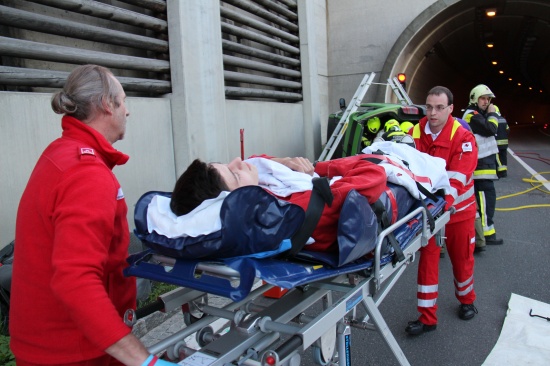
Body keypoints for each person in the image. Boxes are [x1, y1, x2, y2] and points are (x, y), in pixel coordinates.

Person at [10, 65, 176, 366]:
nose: (128, 111)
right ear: (105, 104)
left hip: (50, 345)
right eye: (123, 100)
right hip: (73, 353)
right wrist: (143, 361)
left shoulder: (60, 153)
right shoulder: (87, 173)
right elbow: (75, 281)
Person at [170, 155, 388, 252]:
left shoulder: (260, 215)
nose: (239, 161)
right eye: (235, 175)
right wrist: (320, 168)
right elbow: (374, 173)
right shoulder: (300, 208)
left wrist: (282, 162)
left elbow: (255, 161)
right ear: (238, 203)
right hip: (391, 177)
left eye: (226, 163)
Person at [405, 86, 478, 335]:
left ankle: (467, 300)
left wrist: (442, 205)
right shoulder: (413, 133)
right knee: (428, 259)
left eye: (438, 107)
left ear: (450, 109)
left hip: (459, 210)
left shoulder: (463, 137)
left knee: (462, 258)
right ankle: (427, 318)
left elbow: (457, 179)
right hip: (430, 212)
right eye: (428, 107)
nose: (432, 113)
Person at [462, 84, 504, 246]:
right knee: (485, 201)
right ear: (474, 98)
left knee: (487, 200)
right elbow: (491, 129)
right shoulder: (471, 115)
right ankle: (487, 235)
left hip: (485, 167)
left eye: (488, 99)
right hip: (480, 168)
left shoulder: (479, 114)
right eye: (483, 98)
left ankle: (486, 232)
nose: (486, 102)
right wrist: (493, 114)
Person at [493, 105, 510, 178]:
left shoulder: (493, 120)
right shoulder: (503, 119)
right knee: (503, 157)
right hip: (504, 143)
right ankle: (504, 172)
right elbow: (508, 130)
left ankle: (500, 172)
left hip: (496, 143)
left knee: (497, 158)